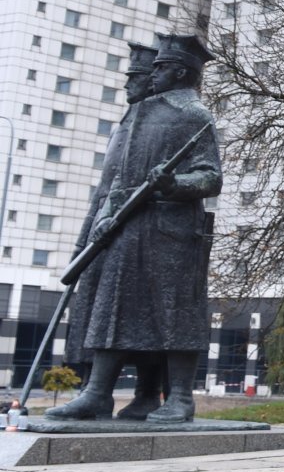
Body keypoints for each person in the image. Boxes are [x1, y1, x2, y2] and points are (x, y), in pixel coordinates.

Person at [47, 34, 221, 424]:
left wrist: (174, 185)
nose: (152, 73)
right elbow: (119, 177)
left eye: (160, 66)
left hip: (171, 227)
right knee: (114, 305)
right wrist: (106, 217)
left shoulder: (194, 115)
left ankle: (179, 398)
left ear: (180, 71)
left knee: (176, 312)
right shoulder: (140, 113)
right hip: (127, 225)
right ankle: (96, 393)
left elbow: (211, 176)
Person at [62, 41, 165, 420]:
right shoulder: (128, 121)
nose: (128, 85)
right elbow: (107, 183)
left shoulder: (155, 121)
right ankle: (96, 389)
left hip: (137, 229)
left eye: (135, 77)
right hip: (105, 224)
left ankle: (142, 392)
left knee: (136, 310)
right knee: (97, 306)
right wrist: (88, 231)